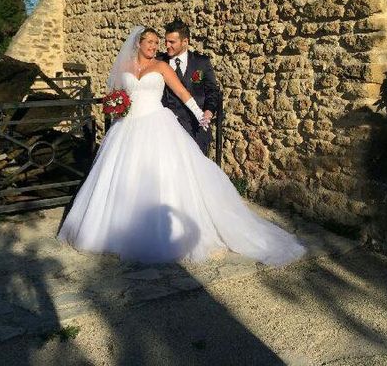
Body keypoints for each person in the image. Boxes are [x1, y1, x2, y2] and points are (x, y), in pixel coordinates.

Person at [57, 26, 306, 264]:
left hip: (156, 124)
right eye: (150, 43)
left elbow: (182, 93)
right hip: (126, 127)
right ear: (139, 44)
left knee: (162, 177)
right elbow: (115, 94)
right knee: (123, 178)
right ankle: (114, 229)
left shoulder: (162, 66)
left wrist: (201, 115)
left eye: (157, 43)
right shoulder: (125, 65)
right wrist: (115, 104)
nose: (155, 47)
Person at [157, 19, 220, 156]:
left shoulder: (201, 62)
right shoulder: (159, 61)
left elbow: (212, 91)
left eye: (172, 42)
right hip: (167, 130)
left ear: (185, 42)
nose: (167, 45)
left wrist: (209, 111)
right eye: (166, 41)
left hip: (195, 127)